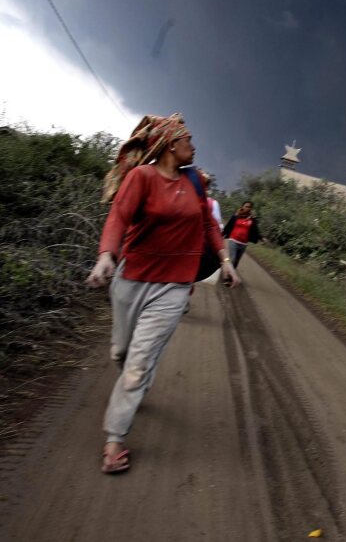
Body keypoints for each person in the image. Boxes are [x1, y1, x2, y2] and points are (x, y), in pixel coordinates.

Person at [86, 113, 241, 474]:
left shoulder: (195, 182)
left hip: (174, 287)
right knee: (121, 353)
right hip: (132, 279)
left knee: (137, 366)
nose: (194, 146)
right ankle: (135, 381)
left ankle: (114, 440)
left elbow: (208, 225)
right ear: (171, 146)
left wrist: (226, 261)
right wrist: (106, 257)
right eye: (189, 140)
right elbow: (119, 218)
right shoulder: (141, 178)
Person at [222, 201, 262, 268]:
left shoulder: (252, 219)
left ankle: (231, 273)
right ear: (242, 207)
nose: (247, 208)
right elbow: (229, 225)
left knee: (236, 261)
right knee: (232, 259)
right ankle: (228, 273)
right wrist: (222, 234)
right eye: (246, 206)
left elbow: (256, 230)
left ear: (251, 209)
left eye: (249, 207)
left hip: (243, 243)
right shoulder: (236, 216)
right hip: (233, 240)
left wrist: (261, 238)